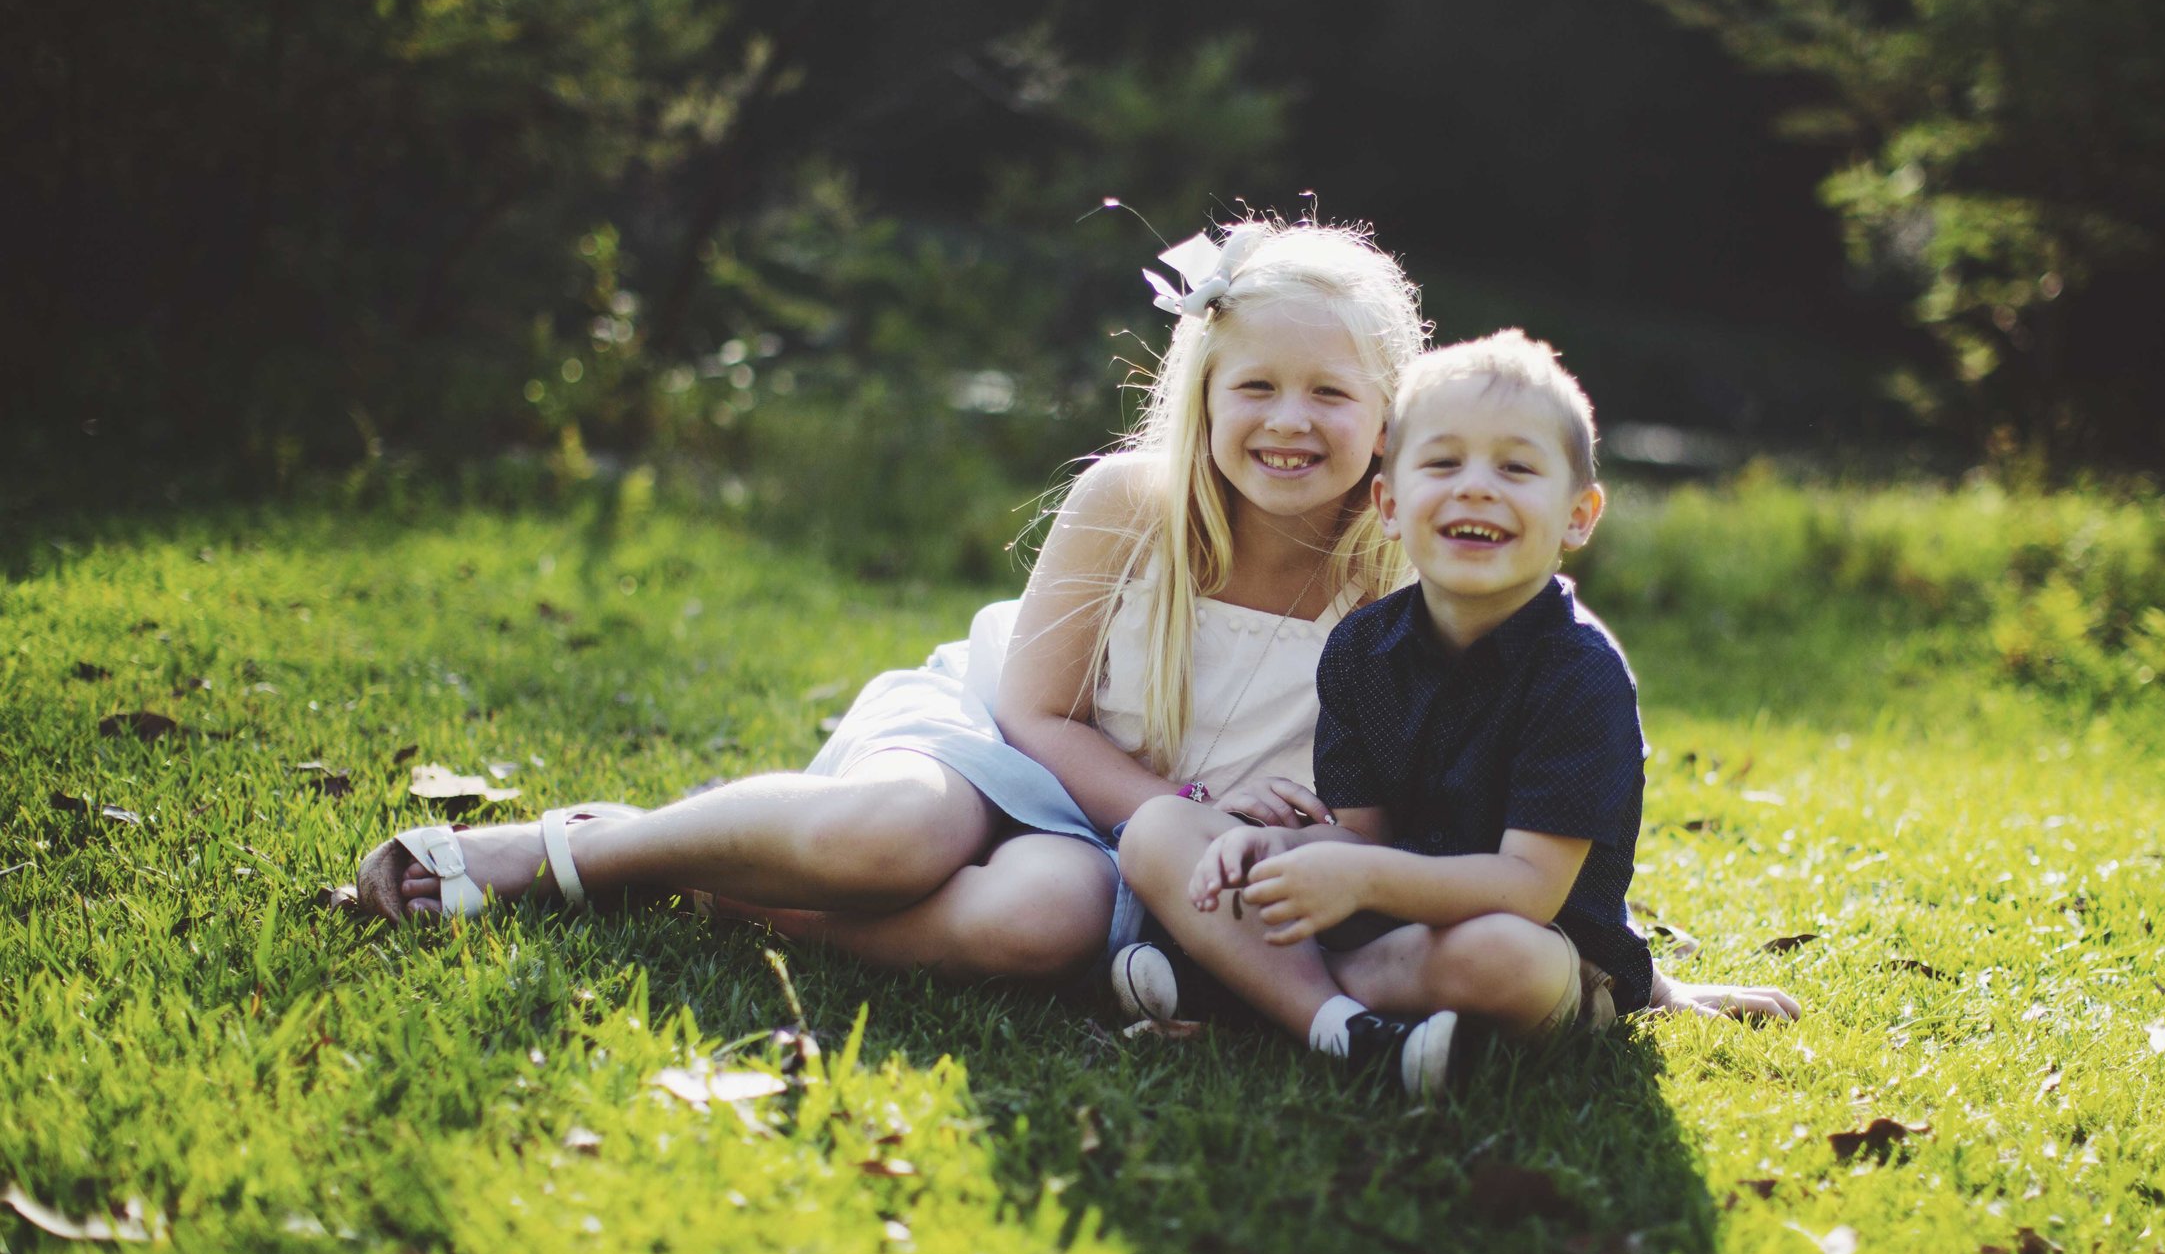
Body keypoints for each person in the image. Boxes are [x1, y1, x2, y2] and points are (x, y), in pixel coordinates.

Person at [353, 218, 1429, 986]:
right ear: (1201, 394)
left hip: (1150, 853)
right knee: (891, 834)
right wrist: (1182, 807)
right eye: (1255, 386)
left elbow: (1398, 794)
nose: (1288, 419)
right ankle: (586, 850)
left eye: (1329, 392)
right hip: (1008, 746)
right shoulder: (1133, 503)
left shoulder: (1402, 583)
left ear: (1387, 415)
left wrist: (1306, 827)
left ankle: (730, 894)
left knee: (1040, 921)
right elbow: (1033, 713)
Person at [1114, 331, 1800, 1096]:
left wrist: (1356, 874)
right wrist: (1277, 847)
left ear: (1579, 514)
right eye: (1442, 463)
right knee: (1160, 829)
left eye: (1515, 467)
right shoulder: (1360, 651)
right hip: (1389, 922)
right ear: (1390, 502)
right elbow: (1361, 839)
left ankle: (1244, 985)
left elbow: (1526, 888)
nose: (1476, 487)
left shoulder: (1581, 675)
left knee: (1510, 958)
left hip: (1528, 934)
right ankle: (1339, 1021)